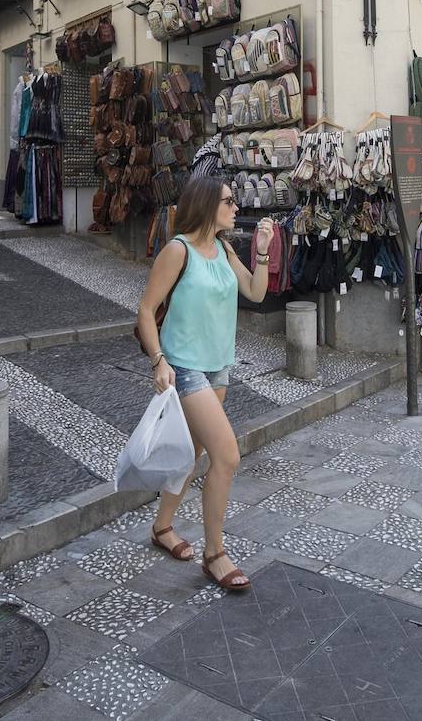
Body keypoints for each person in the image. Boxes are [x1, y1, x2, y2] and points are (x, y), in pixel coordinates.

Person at [135, 176, 272, 593]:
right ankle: (215, 554)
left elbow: (256, 291)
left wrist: (262, 251)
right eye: (229, 201)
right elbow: (145, 310)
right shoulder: (179, 250)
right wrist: (159, 361)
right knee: (226, 456)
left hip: (218, 366)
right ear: (207, 204)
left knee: (191, 452)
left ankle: (162, 527)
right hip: (185, 366)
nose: (236, 208)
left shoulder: (226, 249)